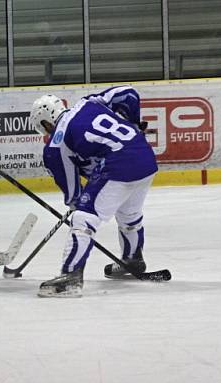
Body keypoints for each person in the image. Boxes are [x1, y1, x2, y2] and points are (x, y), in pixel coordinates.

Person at [30, 85, 157, 298]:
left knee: (83, 218)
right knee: (129, 215)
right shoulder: (88, 102)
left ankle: (70, 277)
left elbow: (73, 195)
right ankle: (132, 259)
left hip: (119, 163)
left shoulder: (55, 144)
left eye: (44, 129)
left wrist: (77, 203)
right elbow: (128, 92)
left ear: (45, 121)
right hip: (145, 155)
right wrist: (133, 122)